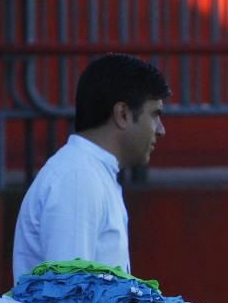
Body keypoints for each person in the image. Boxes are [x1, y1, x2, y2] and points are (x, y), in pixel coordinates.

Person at [12, 53, 170, 279]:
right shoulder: (78, 179)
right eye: (154, 115)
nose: (161, 130)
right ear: (123, 114)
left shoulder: (87, 173)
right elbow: (70, 299)